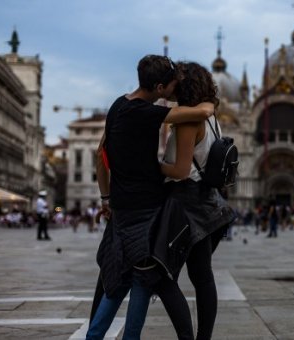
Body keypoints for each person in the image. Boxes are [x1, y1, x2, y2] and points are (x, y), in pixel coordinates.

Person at [87, 55, 215, 339]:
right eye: (171, 85)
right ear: (159, 87)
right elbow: (201, 113)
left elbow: (100, 154)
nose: (173, 91)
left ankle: (93, 335)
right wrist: (210, 103)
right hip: (147, 209)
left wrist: (106, 198)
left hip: (120, 207)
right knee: (149, 278)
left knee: (111, 275)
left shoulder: (117, 106)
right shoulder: (148, 113)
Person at [153, 61, 237, 339]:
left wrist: (153, 166)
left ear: (185, 84)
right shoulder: (210, 116)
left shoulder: (190, 119)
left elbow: (179, 170)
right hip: (209, 203)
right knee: (202, 277)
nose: (171, 84)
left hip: (187, 202)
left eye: (176, 79)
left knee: (162, 276)